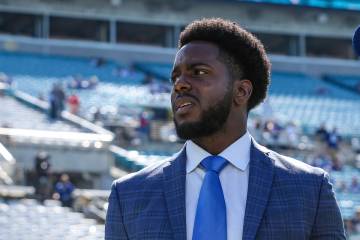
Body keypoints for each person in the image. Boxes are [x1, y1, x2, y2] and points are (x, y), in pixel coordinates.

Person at [105, 18, 345, 239]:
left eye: (199, 72)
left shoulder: (309, 189)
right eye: (175, 77)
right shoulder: (128, 195)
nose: (180, 85)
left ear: (241, 91)